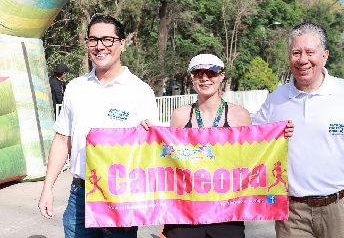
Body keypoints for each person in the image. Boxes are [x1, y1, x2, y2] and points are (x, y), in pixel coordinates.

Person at [252, 22, 344, 238]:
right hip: (292, 212)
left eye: (310, 52)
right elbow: (249, 142)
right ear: (289, 57)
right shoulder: (276, 99)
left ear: (324, 56)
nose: (303, 60)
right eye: (296, 53)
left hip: (340, 208)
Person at [140, 50, 293, 238]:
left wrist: (279, 136)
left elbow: (251, 159)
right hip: (186, 213)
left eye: (211, 73)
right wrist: (146, 135)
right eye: (198, 73)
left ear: (222, 76)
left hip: (227, 213)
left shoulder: (239, 115)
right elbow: (170, 162)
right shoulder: (180, 115)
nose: (205, 78)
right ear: (192, 78)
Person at [38, 14, 159, 238]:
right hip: (79, 196)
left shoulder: (140, 91)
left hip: (120, 196)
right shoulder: (75, 87)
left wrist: (149, 136)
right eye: (93, 40)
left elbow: (151, 152)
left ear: (122, 44)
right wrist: (47, 188)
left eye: (107, 39)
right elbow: (63, 140)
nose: (99, 46)